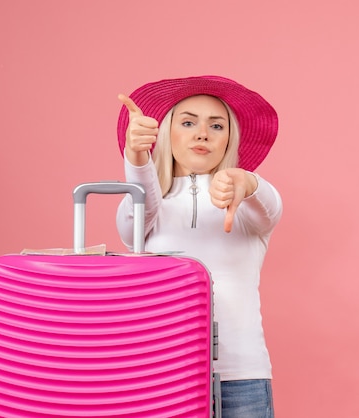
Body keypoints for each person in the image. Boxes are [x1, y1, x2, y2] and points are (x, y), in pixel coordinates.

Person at [115, 75, 282, 418]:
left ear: (228, 139)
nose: (202, 133)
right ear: (166, 133)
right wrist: (136, 158)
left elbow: (271, 205)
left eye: (216, 125)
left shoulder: (248, 204)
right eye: (188, 122)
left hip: (242, 377)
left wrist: (246, 182)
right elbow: (133, 219)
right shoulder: (150, 206)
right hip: (161, 374)